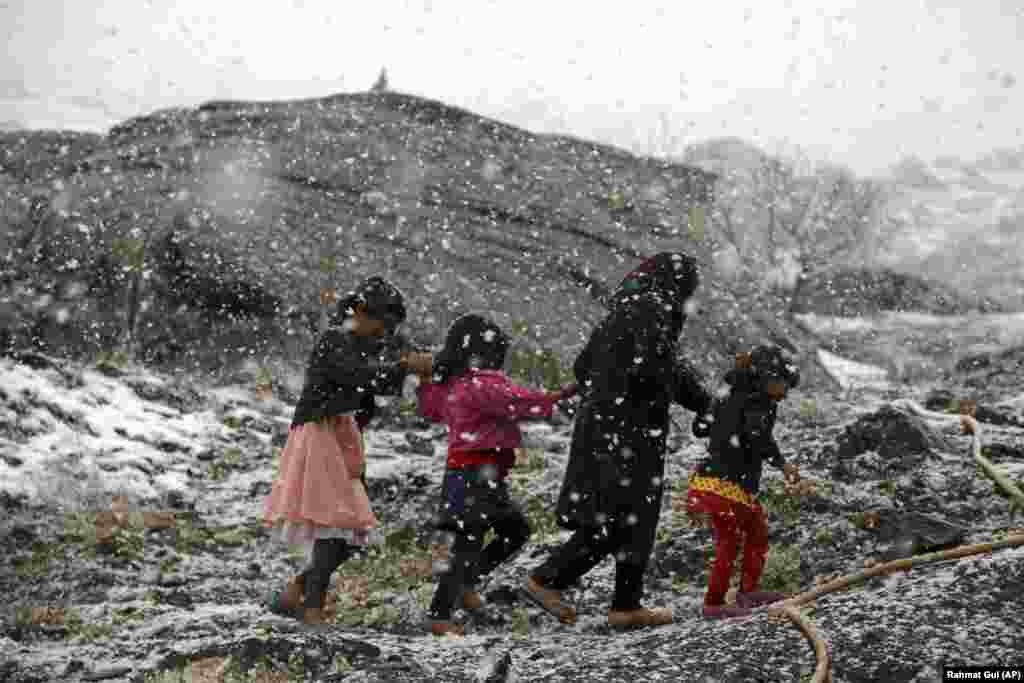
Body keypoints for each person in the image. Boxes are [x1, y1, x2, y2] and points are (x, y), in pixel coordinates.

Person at [523, 251, 715, 629]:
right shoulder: (651, 310)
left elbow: (584, 366)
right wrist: (703, 403)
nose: (689, 299)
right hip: (630, 429)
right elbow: (662, 365)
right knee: (622, 516)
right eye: (689, 290)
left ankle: (626, 606)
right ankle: (547, 580)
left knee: (631, 515)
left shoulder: (624, 311)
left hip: (605, 426)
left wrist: (614, 378)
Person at [263, 276, 433, 625]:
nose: (383, 334)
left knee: (353, 532)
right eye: (382, 325)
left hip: (343, 437)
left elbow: (377, 383)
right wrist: (403, 366)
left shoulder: (361, 344)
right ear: (360, 312)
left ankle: (297, 590)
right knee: (336, 526)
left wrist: (413, 367)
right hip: (321, 432)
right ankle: (312, 609)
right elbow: (360, 376)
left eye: (389, 329)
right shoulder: (334, 340)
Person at [415, 313, 577, 636]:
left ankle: (465, 584)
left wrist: (424, 380)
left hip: (472, 475)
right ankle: (439, 614)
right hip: (476, 473)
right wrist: (559, 397)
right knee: (474, 541)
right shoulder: (481, 384)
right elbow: (518, 401)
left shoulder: (454, 385)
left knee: (509, 531)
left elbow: (431, 409)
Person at [687, 345, 802, 619]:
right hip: (727, 487)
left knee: (756, 532)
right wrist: (782, 464)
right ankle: (715, 603)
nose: (784, 393)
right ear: (766, 378)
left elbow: (700, 427)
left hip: (713, 482)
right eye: (782, 385)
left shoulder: (729, 393)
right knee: (730, 541)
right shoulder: (757, 401)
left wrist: (722, 416)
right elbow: (758, 436)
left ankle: (748, 593)